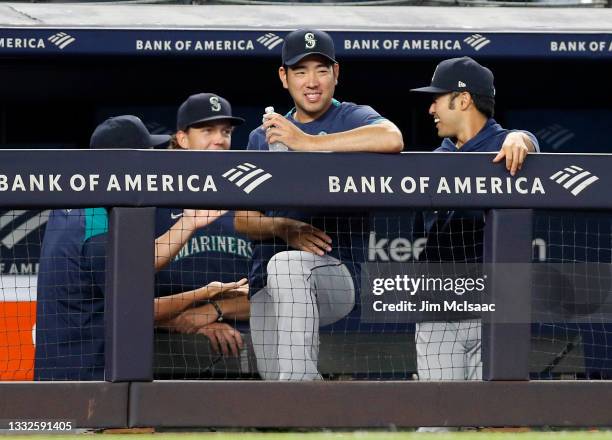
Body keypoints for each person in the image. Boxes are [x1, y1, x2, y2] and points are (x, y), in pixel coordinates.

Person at [235, 29, 404, 381]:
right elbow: (242, 221)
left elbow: (392, 138)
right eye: (300, 71)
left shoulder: (352, 116)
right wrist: (283, 227)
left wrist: (307, 143)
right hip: (265, 282)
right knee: (274, 395)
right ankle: (303, 407)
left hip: (335, 274)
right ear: (284, 77)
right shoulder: (262, 136)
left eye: (321, 70)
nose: (312, 81)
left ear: (336, 73)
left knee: (288, 267)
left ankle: (304, 387)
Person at [34, 115, 244, 380]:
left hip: (61, 375)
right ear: (124, 164)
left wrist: (188, 223)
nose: (150, 167)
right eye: (145, 158)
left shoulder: (80, 208)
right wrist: (204, 293)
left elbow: (128, 263)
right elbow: (139, 310)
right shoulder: (95, 234)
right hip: (86, 383)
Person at [410, 57, 539, 431]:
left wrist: (524, 138)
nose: (431, 107)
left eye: (439, 98)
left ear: (463, 99)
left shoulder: (509, 145)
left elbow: (531, 145)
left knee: (501, 424)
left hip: (497, 315)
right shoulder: (436, 160)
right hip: (440, 310)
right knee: (438, 424)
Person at [155, 93, 253, 363]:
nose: (219, 139)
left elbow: (275, 295)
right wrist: (194, 323)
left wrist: (214, 309)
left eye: (226, 131)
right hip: (166, 353)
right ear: (183, 138)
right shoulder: (154, 200)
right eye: (207, 130)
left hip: (249, 348)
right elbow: (127, 297)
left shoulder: (251, 199)